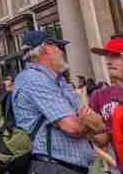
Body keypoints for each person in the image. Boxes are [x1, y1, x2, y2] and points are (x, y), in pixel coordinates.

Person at [13, 30, 103, 174]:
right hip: (53, 167)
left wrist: (89, 122)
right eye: (58, 47)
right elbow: (74, 127)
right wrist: (91, 124)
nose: (62, 52)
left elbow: (100, 130)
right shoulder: (33, 79)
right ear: (47, 48)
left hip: (70, 168)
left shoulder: (58, 81)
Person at [87, 36, 123, 169]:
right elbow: (103, 139)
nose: (108, 61)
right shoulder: (100, 96)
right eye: (107, 56)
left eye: (115, 56)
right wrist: (90, 129)